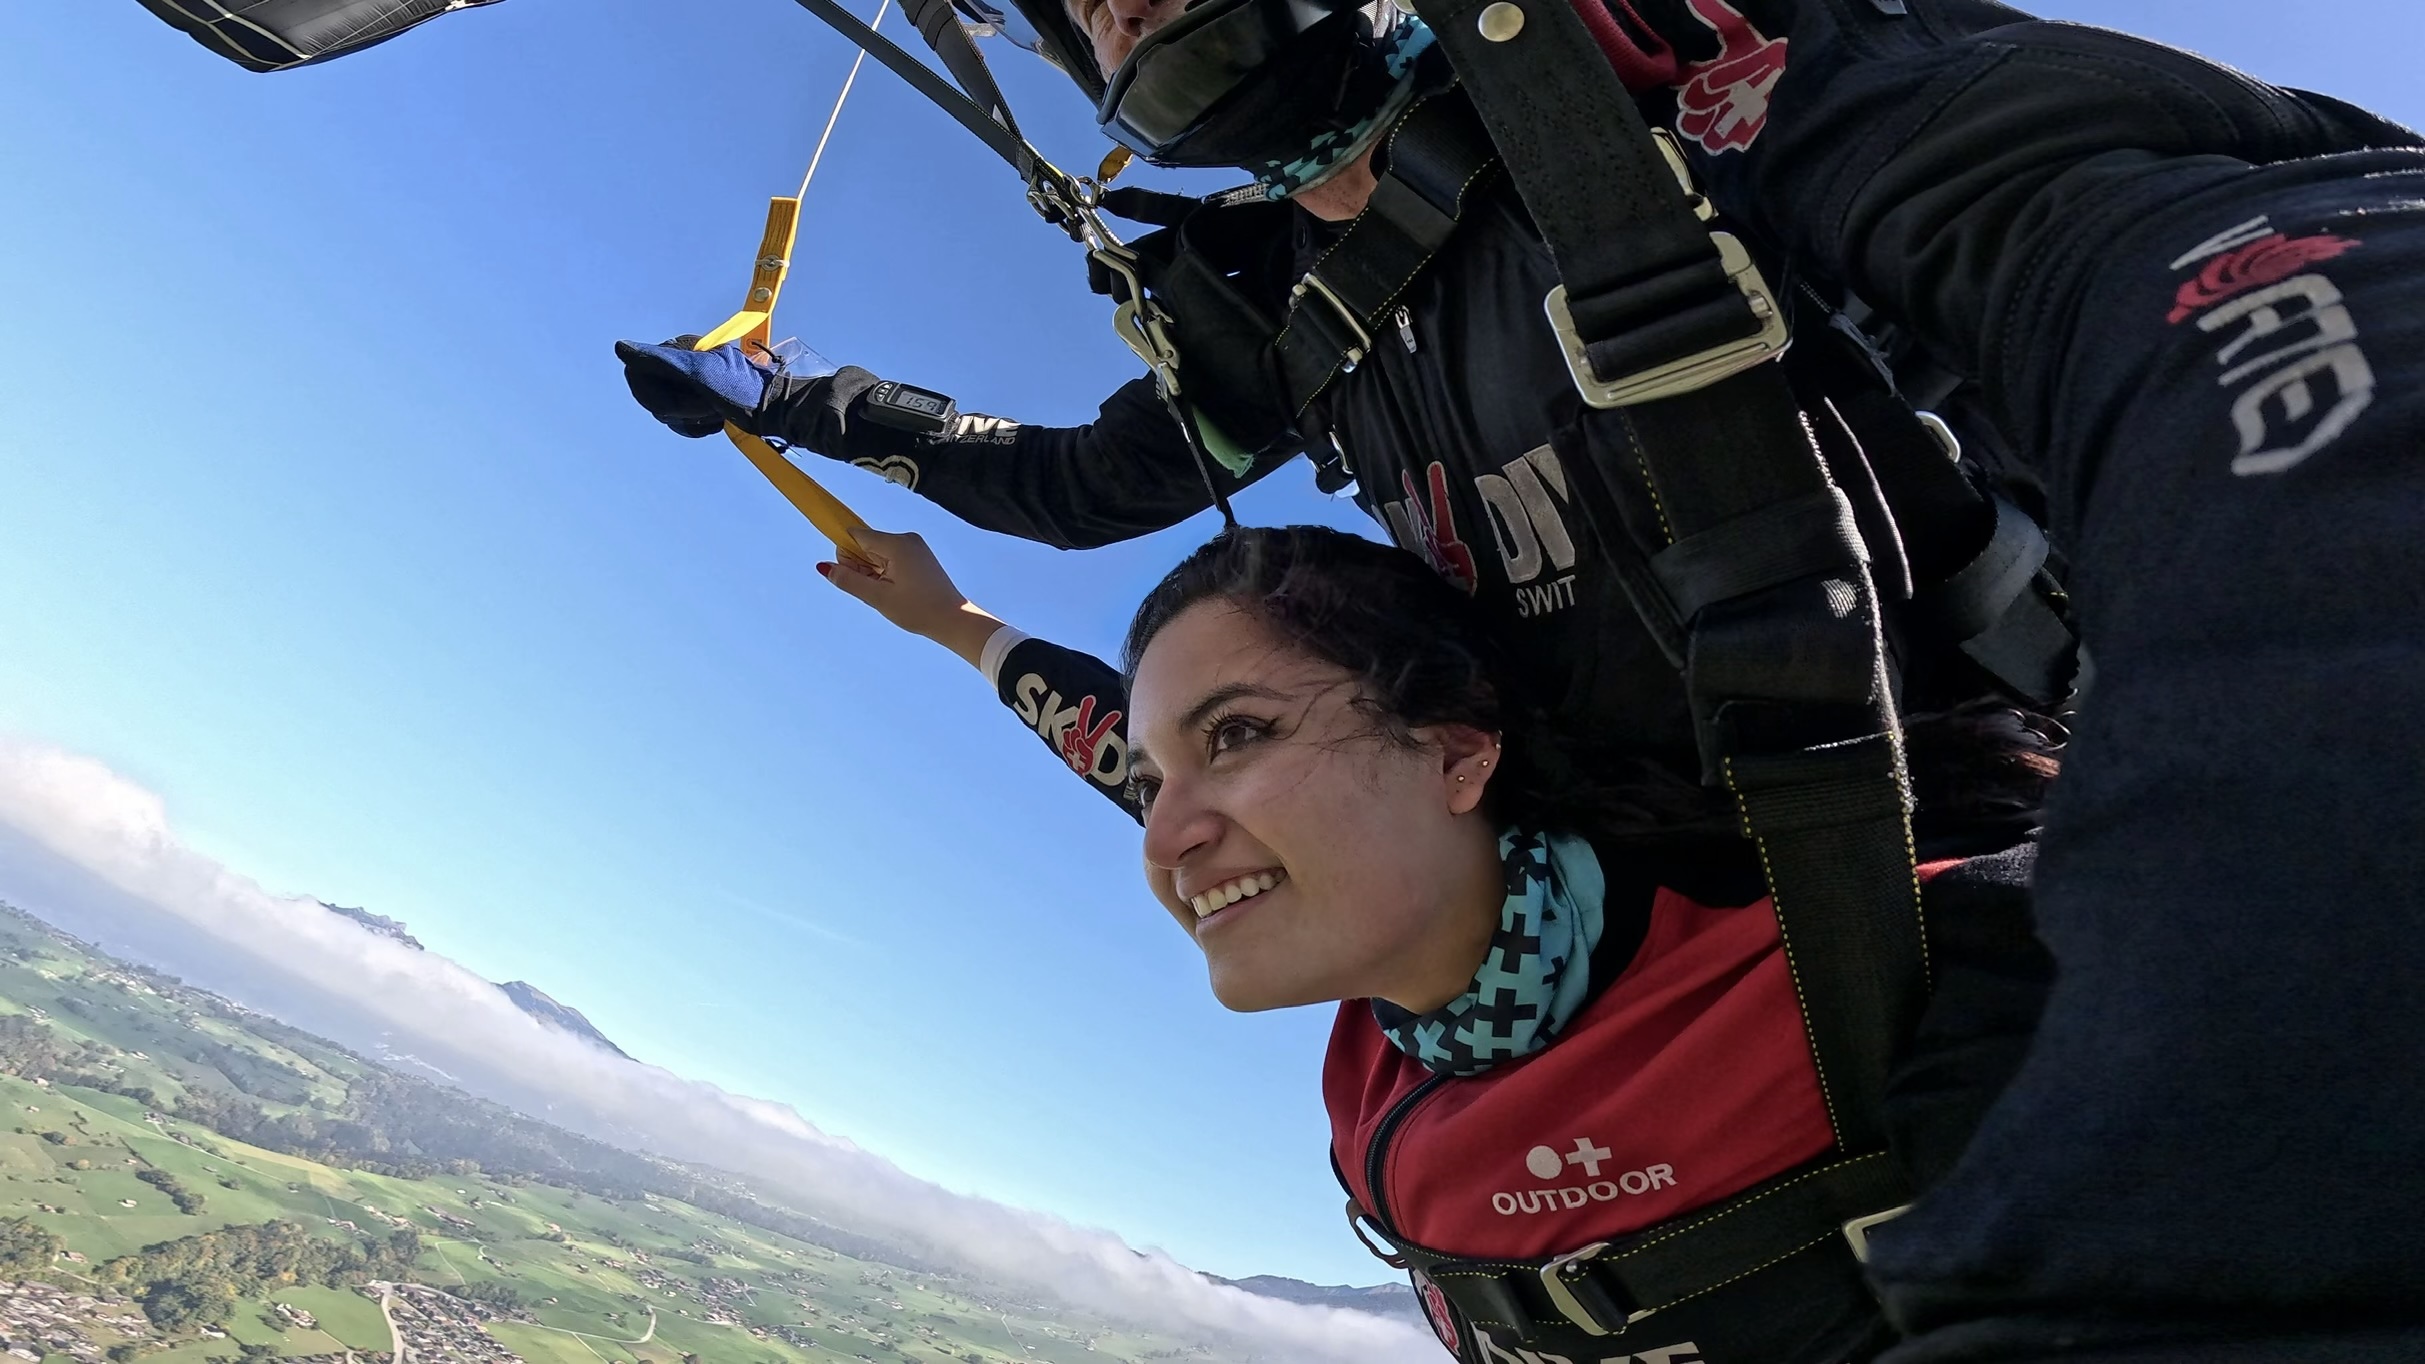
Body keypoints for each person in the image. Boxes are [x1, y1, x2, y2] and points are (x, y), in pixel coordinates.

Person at [623, 1, 2425, 1358]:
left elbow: (2209, 251)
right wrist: (807, 411)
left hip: (1944, 1063)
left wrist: (2308, 736)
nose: (1101, 4)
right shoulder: (1294, 334)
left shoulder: (1728, 104)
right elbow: (1098, 527)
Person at [810, 520, 2056, 1363]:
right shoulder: (1389, 1033)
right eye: (1154, 778)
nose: (1168, 832)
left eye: (1236, 735)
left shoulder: (1898, 964)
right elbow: (1098, 732)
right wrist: (952, 622)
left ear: (1456, 750)